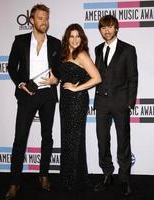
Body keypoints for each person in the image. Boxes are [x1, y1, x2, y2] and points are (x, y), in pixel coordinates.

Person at [5, 4, 61, 200]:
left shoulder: (55, 43)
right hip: (27, 94)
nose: (44, 22)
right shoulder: (20, 41)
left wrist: (56, 79)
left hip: (48, 95)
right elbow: (12, 66)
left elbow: (60, 69)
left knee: (47, 136)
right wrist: (21, 84)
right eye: (40, 18)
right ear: (32, 20)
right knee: (20, 139)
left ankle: (44, 175)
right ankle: (14, 182)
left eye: (46, 18)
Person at [94, 15, 138, 196]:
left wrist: (130, 103)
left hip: (121, 103)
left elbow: (133, 78)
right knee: (102, 142)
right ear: (100, 30)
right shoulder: (97, 49)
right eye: (104, 27)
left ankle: (125, 179)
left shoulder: (128, 49)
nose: (107, 30)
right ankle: (107, 174)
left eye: (110, 27)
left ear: (117, 28)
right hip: (102, 103)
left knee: (123, 143)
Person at [58, 23, 101, 192]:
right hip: (65, 102)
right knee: (67, 140)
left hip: (77, 102)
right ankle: (70, 178)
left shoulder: (82, 55)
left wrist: (77, 87)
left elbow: (97, 78)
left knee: (74, 140)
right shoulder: (63, 55)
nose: (75, 39)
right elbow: (62, 77)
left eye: (78, 36)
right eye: (72, 36)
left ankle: (75, 181)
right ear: (67, 38)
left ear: (82, 38)